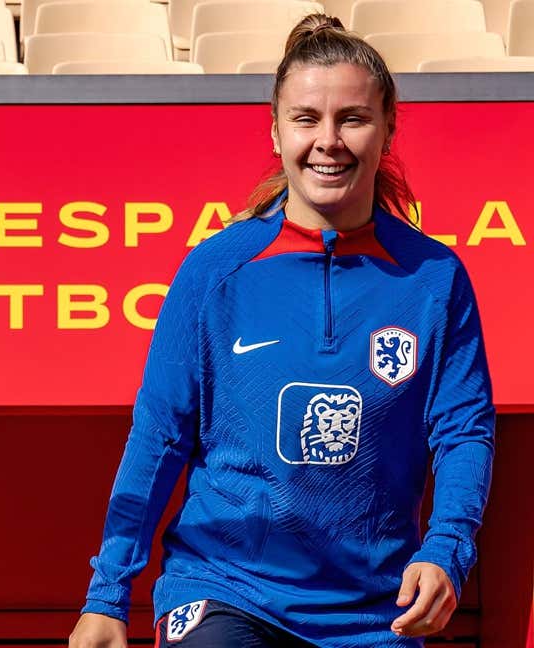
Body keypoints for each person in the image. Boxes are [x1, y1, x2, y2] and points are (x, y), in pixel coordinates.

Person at [69, 14, 494, 648]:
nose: (329, 140)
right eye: (306, 119)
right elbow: (159, 437)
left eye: (352, 118)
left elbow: (464, 432)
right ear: (275, 131)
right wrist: (106, 595)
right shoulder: (217, 271)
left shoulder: (433, 279)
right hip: (226, 589)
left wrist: (446, 549)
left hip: (375, 612)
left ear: (388, 129)